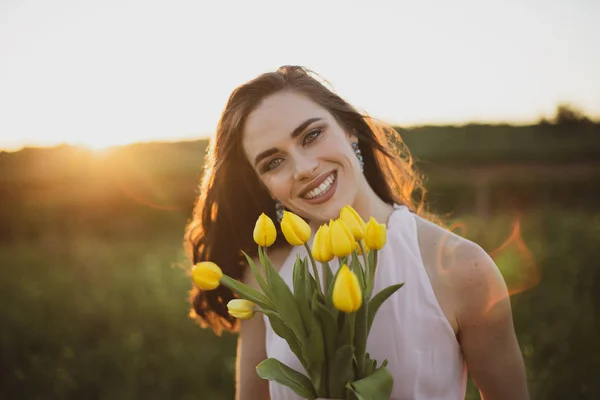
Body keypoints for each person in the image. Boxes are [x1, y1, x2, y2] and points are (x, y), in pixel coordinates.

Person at [184, 66, 529, 400]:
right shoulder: (267, 277)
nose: (304, 169)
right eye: (273, 162)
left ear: (349, 128)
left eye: (312, 135)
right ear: (263, 185)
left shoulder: (463, 269)